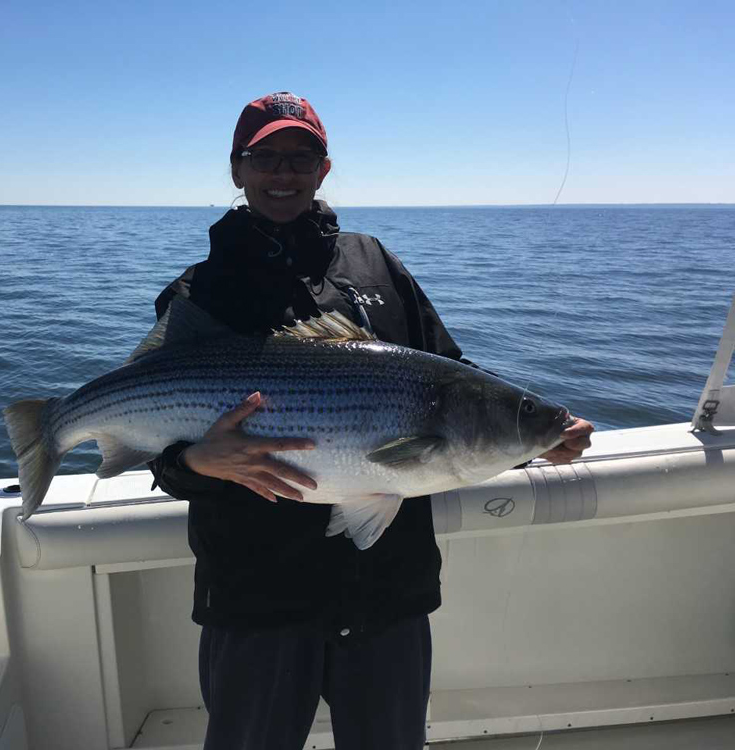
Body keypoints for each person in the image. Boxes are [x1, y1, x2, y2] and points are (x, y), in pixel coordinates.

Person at [148, 92, 594, 750]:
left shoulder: (375, 265)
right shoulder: (198, 292)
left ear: (325, 169)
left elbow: (455, 386)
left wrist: (534, 438)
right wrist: (193, 463)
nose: (283, 172)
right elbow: (162, 456)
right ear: (237, 170)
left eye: (301, 157)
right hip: (254, 596)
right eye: (264, 156)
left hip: (387, 592)